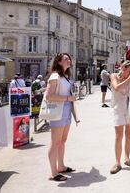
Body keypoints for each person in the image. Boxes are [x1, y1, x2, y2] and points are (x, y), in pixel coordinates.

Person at [44, 53, 78, 182]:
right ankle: (54, 172)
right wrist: (68, 98)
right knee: (55, 142)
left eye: (69, 58)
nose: (69, 60)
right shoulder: (55, 76)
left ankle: (61, 166)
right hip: (58, 112)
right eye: (65, 59)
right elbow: (49, 96)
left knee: (62, 141)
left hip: (66, 111)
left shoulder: (65, 76)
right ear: (58, 62)